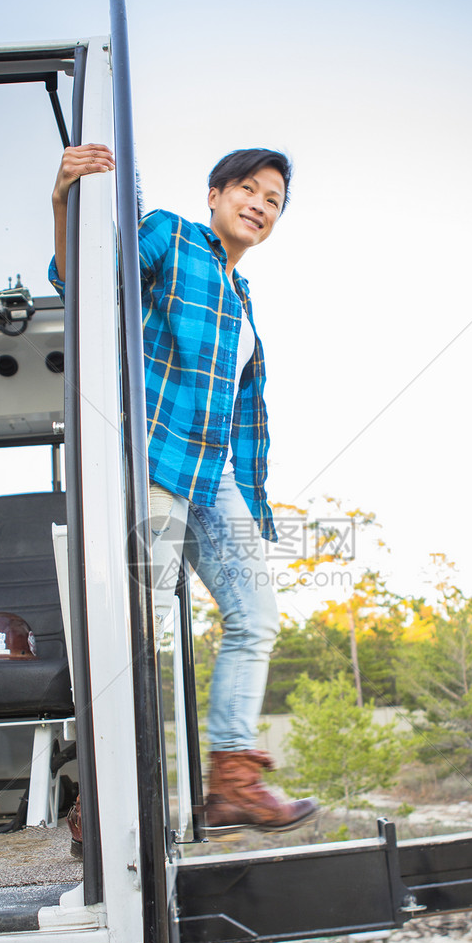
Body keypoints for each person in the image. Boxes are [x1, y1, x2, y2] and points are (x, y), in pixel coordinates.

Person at [50, 143, 317, 835]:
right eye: (250, 190)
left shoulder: (242, 295)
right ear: (215, 194)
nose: (260, 205)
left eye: (274, 201)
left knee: (256, 617)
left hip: (215, 477)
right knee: (141, 629)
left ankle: (232, 781)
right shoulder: (171, 236)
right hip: (153, 463)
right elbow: (83, 281)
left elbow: (238, 415)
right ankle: (103, 794)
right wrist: (62, 203)